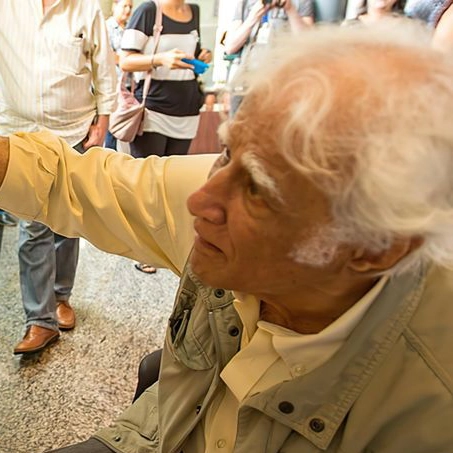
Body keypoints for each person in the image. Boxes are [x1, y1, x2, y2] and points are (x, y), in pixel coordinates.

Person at [1, 23, 453, 453]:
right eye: (227, 153)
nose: (201, 200)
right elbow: (75, 181)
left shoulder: (429, 404)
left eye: (258, 188)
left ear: (376, 247)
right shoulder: (230, 210)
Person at [0, 0, 117, 355]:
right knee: (32, 225)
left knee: (67, 223)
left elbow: (104, 66)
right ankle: (40, 319)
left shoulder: (87, 8)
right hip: (18, 132)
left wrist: (104, 120)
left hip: (73, 132)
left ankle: (61, 296)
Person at [120, 0, 212, 158]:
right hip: (153, 113)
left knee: (174, 177)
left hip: (187, 112)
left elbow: (191, 52)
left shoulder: (194, 11)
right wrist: (160, 59)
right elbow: (125, 61)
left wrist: (204, 54)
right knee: (148, 177)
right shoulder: (148, 11)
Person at [223, 0, 314, 85]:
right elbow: (230, 47)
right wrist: (254, 17)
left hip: (284, 77)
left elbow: (307, 42)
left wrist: (290, 9)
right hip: (248, 77)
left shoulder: (301, 2)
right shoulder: (245, 2)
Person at [104, 0, 134, 151]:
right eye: (124, 6)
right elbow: (106, 55)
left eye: (130, 7)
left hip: (128, 87)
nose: (128, 10)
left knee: (124, 129)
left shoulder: (130, 28)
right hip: (111, 88)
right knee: (111, 129)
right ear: (114, 6)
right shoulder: (106, 28)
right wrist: (127, 60)